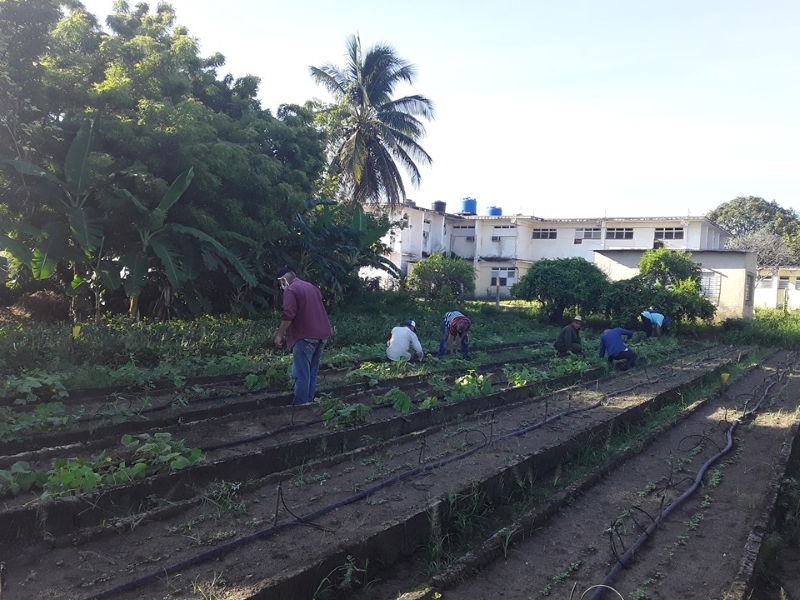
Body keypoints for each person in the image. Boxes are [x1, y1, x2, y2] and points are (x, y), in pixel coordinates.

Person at [273, 267, 332, 406]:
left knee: (301, 373)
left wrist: (279, 334)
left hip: (305, 336)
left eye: (280, 283)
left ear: (283, 279)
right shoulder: (311, 287)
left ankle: (300, 406)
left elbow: (288, 313)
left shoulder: (291, 290)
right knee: (311, 372)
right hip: (321, 335)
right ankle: (309, 403)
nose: (281, 286)